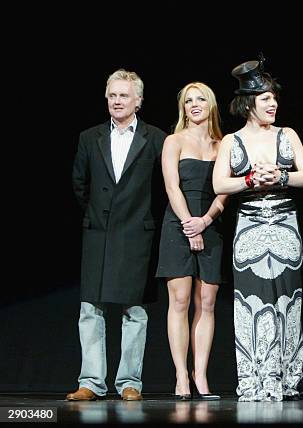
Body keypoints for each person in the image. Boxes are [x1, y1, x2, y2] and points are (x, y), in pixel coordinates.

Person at [212, 59, 303, 401]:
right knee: (252, 303)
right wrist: (250, 180)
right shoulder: (231, 140)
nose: (273, 104)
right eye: (265, 99)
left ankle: (288, 378)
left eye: (274, 99)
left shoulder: (288, 135)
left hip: (285, 225)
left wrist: (280, 176)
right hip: (250, 228)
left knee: (287, 299)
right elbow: (219, 184)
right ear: (248, 103)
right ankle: (255, 379)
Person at [70, 69, 167, 401]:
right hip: (99, 232)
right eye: (112, 95)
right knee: (90, 309)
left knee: (134, 310)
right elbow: (80, 184)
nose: (116, 101)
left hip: (136, 233)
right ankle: (91, 381)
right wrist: (97, 215)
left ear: (138, 101)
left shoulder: (156, 139)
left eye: (123, 95)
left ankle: (129, 382)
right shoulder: (90, 137)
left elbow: (163, 187)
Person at [155, 82, 228, 400]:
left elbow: (226, 190)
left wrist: (206, 221)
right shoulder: (174, 141)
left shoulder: (223, 143)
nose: (194, 104)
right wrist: (190, 225)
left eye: (200, 99)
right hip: (179, 224)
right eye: (188, 101)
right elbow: (172, 188)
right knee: (180, 301)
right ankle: (181, 377)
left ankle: (201, 376)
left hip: (210, 222)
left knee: (207, 303)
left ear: (211, 105)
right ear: (182, 108)